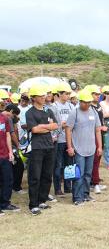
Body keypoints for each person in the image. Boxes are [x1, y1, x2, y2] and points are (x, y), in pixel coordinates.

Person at [25, 84, 59, 215]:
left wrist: (42, 126)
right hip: (37, 147)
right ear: (34, 98)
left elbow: (55, 125)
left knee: (46, 175)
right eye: (41, 96)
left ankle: (42, 200)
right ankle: (33, 204)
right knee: (35, 176)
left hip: (49, 146)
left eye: (44, 95)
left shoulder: (48, 111)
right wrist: (47, 126)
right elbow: (34, 129)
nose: (44, 97)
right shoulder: (30, 112)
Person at [66, 90, 102, 205]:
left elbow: (97, 130)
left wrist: (99, 146)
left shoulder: (94, 112)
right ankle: (77, 197)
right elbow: (68, 130)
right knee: (79, 174)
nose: (87, 104)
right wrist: (70, 147)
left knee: (88, 174)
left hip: (91, 148)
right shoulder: (74, 112)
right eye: (85, 102)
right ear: (80, 101)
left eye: (89, 102)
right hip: (78, 149)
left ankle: (86, 194)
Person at [52, 82, 73, 197]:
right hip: (58, 140)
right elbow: (54, 123)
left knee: (69, 165)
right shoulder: (54, 106)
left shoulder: (70, 106)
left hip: (68, 139)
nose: (68, 96)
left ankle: (68, 186)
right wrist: (62, 124)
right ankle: (57, 188)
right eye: (66, 93)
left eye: (69, 93)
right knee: (58, 165)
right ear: (59, 94)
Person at [0, 105, 20, 214]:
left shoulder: (5, 119)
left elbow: (8, 135)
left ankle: (5, 203)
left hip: (5, 155)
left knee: (8, 179)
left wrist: (10, 151)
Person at [87, 85, 107, 194]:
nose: (97, 96)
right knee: (94, 160)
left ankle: (94, 181)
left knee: (98, 159)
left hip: (100, 135)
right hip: (92, 136)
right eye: (95, 94)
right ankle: (94, 183)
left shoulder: (98, 105)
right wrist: (100, 127)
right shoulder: (89, 107)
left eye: (99, 94)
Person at [2, 105, 24, 195]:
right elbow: (11, 134)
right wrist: (18, 145)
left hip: (5, 148)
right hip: (10, 147)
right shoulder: (8, 118)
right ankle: (16, 187)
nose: (15, 117)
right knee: (19, 166)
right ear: (11, 111)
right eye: (14, 115)